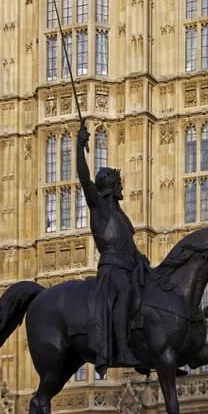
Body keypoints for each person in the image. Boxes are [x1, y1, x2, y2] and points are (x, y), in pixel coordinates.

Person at [77, 121, 148, 372]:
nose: (121, 186)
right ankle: (123, 350)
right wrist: (79, 146)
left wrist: (140, 258)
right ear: (108, 185)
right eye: (118, 182)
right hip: (112, 270)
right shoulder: (99, 207)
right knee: (125, 291)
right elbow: (84, 179)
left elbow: (129, 244)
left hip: (128, 265)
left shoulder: (120, 215)